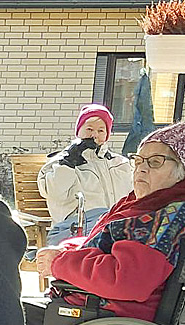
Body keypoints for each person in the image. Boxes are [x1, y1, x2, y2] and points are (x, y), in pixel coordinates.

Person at [25, 122, 185, 325]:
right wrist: (66, 250)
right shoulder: (169, 205)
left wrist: (59, 264)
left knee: (4, 318)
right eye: (139, 160)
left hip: (108, 322)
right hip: (110, 313)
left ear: (183, 170)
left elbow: (125, 279)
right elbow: (107, 244)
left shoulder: (158, 218)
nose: (141, 169)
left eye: (155, 162)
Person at [36, 103, 132, 244]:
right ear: (79, 130)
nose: (94, 135)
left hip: (116, 227)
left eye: (101, 130)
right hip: (76, 229)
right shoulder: (60, 162)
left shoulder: (120, 163)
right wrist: (69, 161)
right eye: (89, 129)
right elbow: (55, 194)